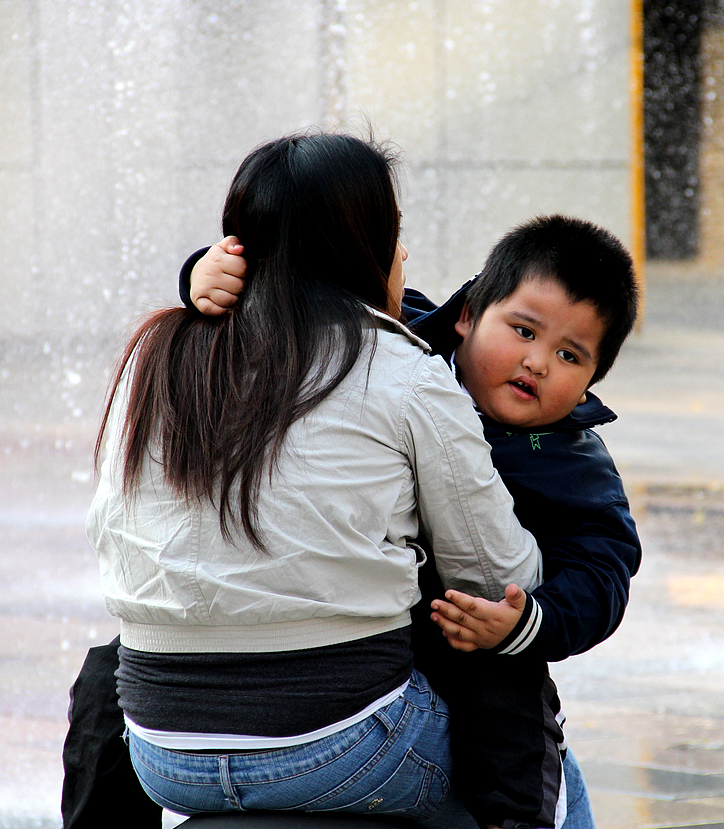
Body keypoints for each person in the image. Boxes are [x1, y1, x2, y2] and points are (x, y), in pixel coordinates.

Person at [81, 131, 542, 825]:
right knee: (511, 670)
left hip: (163, 753)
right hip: (345, 746)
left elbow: (112, 536)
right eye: (394, 233)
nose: (405, 255)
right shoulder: (402, 369)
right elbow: (495, 573)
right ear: (362, 244)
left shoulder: (155, 353)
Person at [185, 214, 643, 829]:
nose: (537, 362)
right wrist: (206, 272)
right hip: (360, 628)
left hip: (467, 637)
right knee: (113, 674)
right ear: (468, 314)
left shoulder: (572, 463)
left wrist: (527, 622)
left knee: (506, 703)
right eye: (523, 330)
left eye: (569, 354)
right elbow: (316, 288)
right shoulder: (407, 341)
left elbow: (603, 570)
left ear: (592, 379)